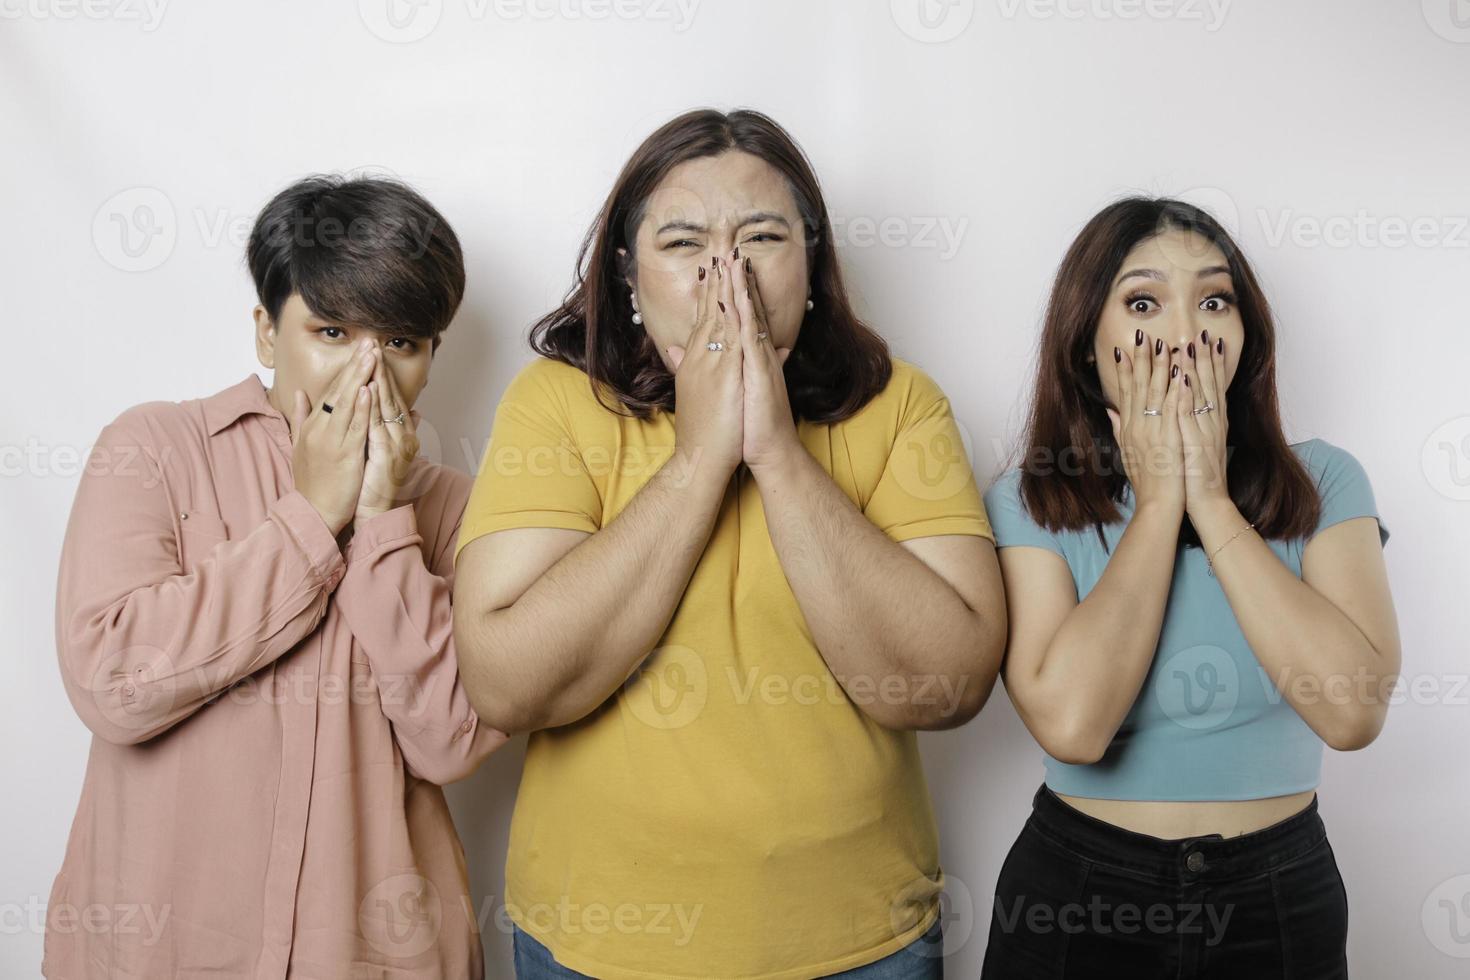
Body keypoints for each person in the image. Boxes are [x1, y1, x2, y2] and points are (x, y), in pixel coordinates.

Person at [452, 108, 1008, 979]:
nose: (727, 275)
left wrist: (777, 454)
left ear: (813, 268)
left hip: (862, 942)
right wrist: (700, 458)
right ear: (629, 278)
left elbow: (948, 683)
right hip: (600, 948)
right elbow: (505, 683)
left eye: (762, 236)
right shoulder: (554, 404)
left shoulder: (902, 405)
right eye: (683, 243)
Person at [45, 174, 507, 979]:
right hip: (156, 953)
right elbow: (111, 681)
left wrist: (383, 521)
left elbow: (452, 737)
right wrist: (310, 518)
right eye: (331, 332)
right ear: (267, 334)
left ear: (432, 361)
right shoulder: (154, 447)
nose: (368, 373)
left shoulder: (462, 512)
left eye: (400, 342)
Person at [979, 197, 1399, 978]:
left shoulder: (1326, 481)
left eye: (1214, 300)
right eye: (1143, 303)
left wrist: (1208, 499)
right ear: (1086, 346)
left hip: (1278, 893)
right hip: (1079, 893)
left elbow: (1351, 711)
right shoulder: (1029, 498)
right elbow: (1073, 726)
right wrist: (1160, 500)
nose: (1185, 333)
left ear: (1246, 335)